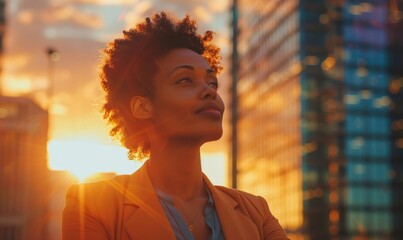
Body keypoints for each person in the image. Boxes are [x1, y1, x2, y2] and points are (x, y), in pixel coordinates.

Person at [62, 12, 289, 240]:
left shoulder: (256, 212)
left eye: (212, 82)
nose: (210, 91)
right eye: (185, 80)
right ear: (142, 107)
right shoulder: (92, 205)